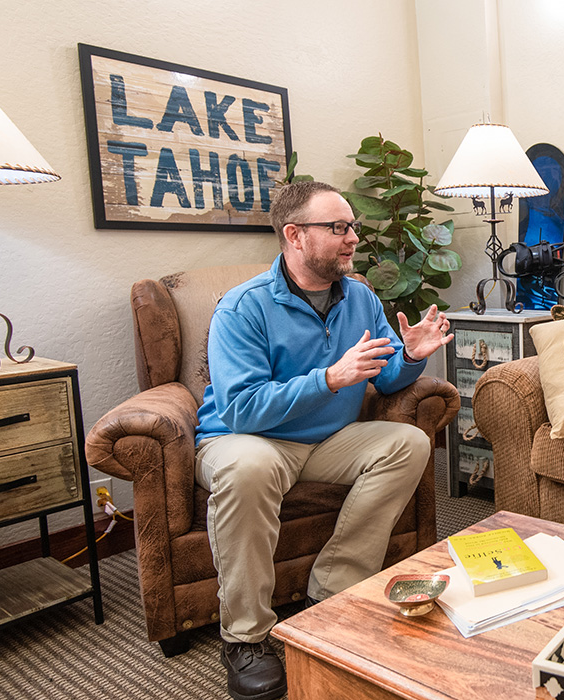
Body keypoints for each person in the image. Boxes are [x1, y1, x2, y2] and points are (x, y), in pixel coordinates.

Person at [193, 180, 453, 700]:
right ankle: (245, 635)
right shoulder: (241, 308)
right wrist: (330, 379)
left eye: (352, 225)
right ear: (294, 235)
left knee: (409, 444)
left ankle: (331, 594)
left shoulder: (359, 296)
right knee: (248, 468)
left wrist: (413, 355)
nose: (353, 237)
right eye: (338, 228)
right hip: (246, 440)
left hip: (325, 441)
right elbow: (241, 409)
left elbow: (383, 379)